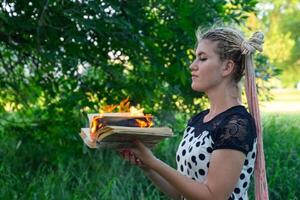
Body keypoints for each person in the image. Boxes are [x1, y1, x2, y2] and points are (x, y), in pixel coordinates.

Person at [119, 26, 269, 200]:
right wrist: (147, 165)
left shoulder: (236, 124)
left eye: (202, 58)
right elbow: (182, 193)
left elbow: (213, 197)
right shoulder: (198, 120)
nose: (192, 66)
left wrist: (153, 162)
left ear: (227, 67)